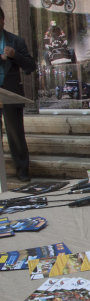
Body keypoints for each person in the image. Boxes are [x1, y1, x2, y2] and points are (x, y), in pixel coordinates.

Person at [0, 7, 35, 181]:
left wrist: (15, 56)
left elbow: (30, 66)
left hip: (10, 94)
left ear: (3, 20)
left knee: (15, 133)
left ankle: (22, 169)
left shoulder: (15, 41)